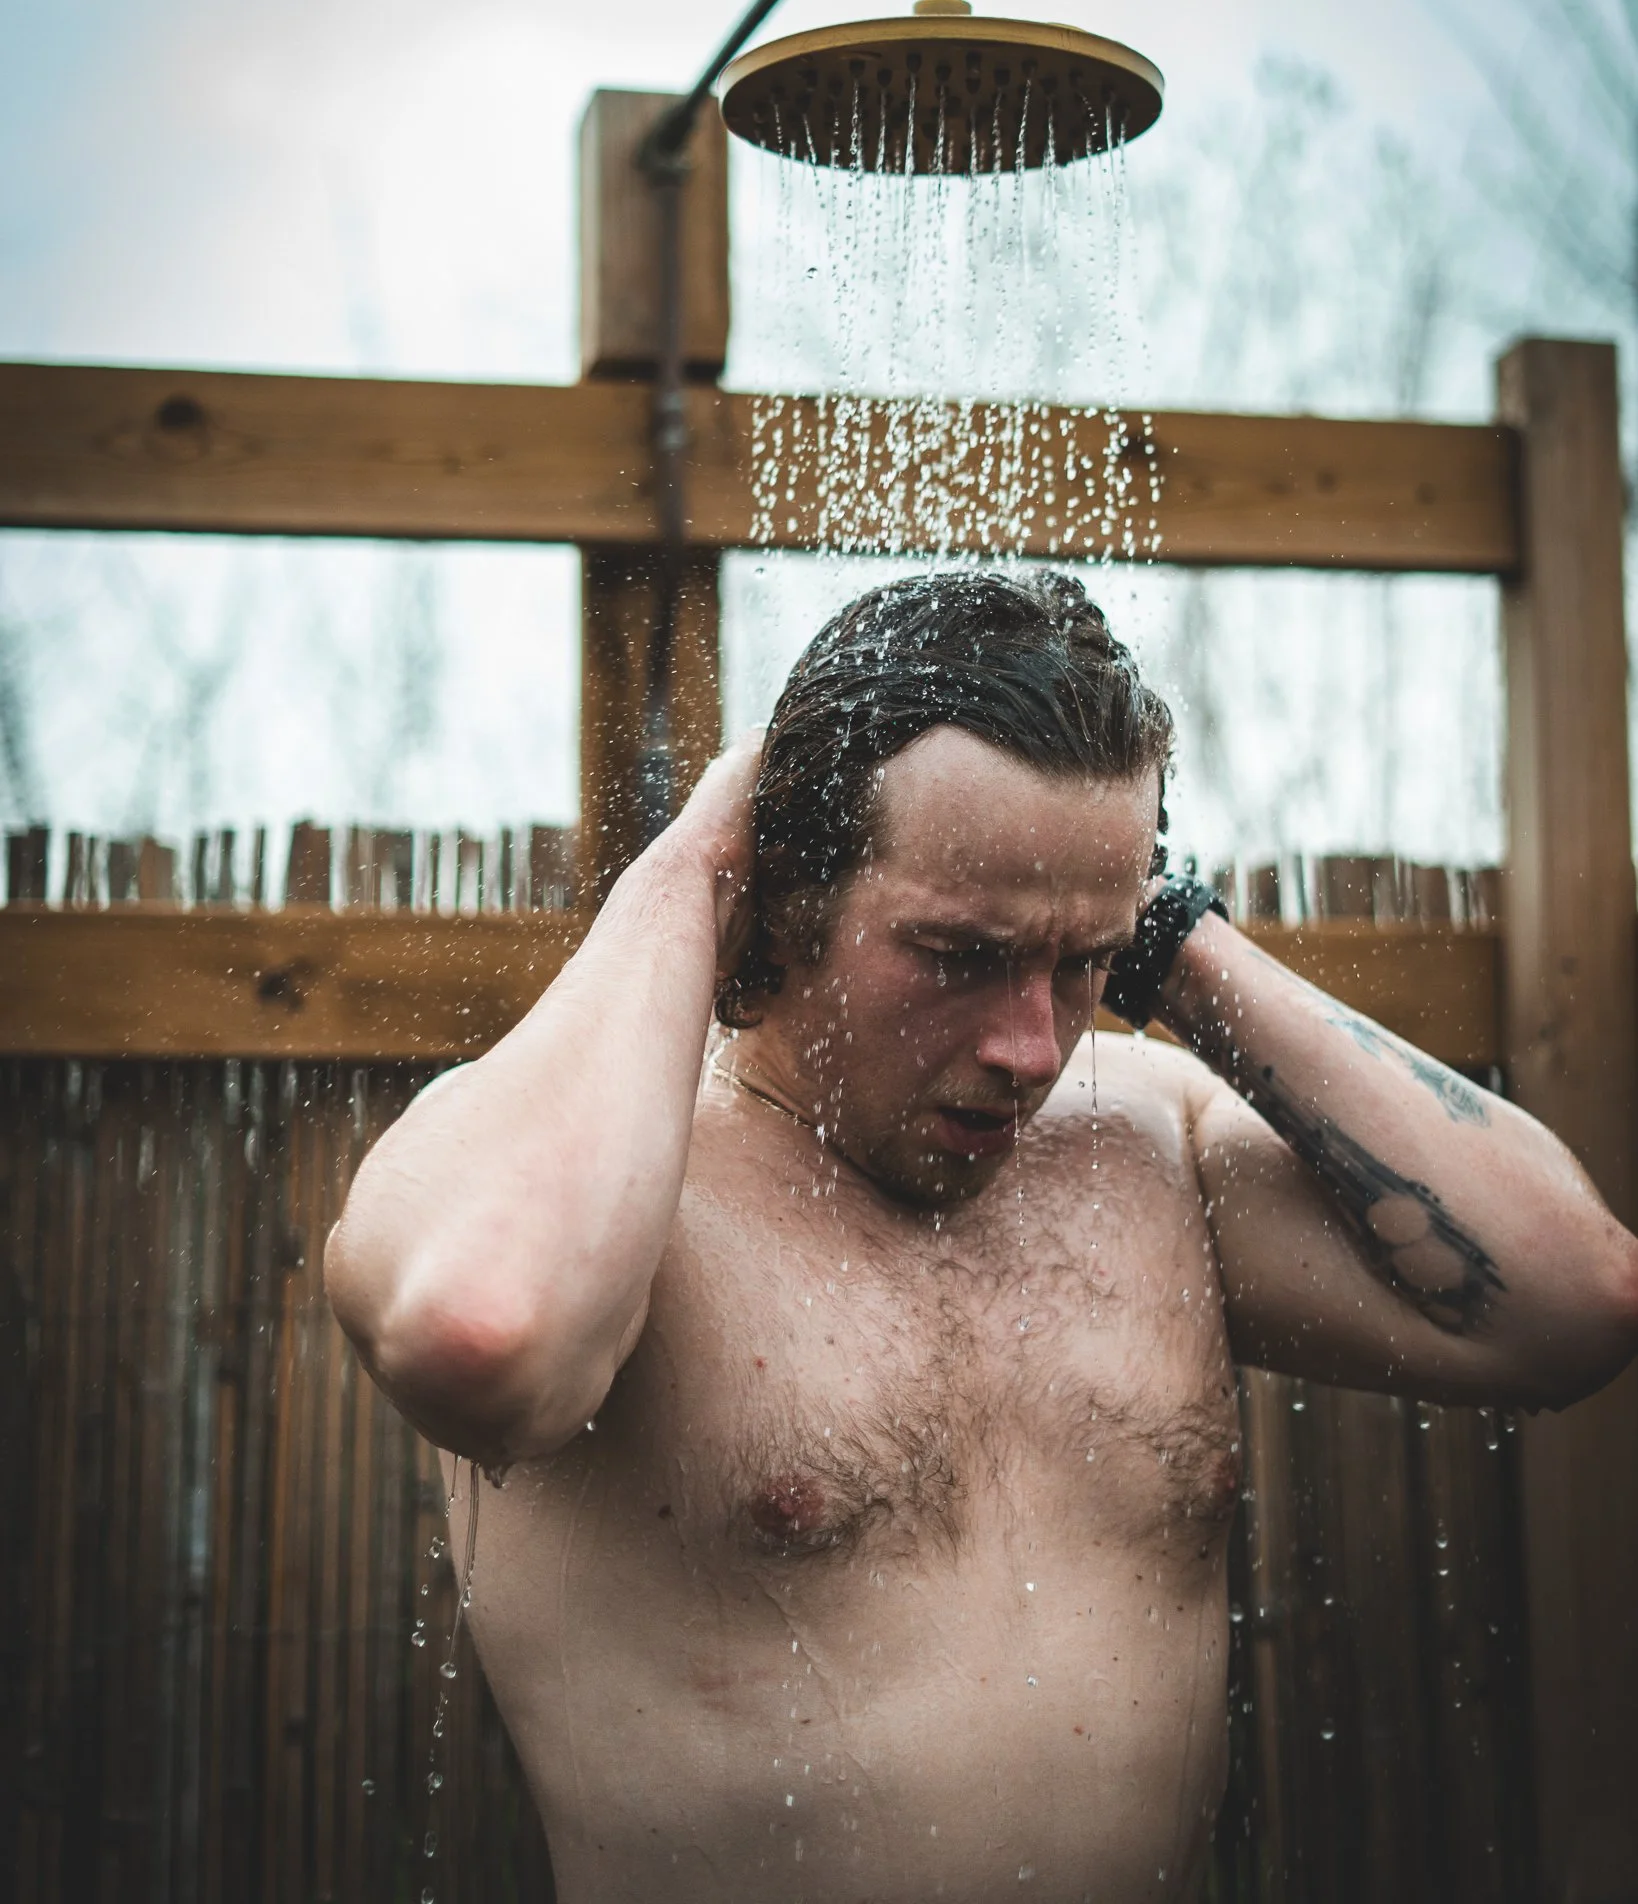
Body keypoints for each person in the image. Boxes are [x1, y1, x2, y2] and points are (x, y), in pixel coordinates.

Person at [325, 570, 1638, 1903]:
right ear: (786, 898)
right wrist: (695, 865)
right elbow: (486, 1341)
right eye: (959, 954)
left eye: (1081, 965)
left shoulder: (1156, 1148)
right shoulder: (583, 1189)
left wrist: (1172, 943)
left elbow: (1574, 1301)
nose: (1032, 1049)